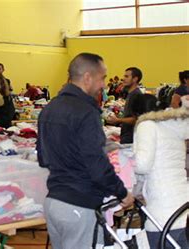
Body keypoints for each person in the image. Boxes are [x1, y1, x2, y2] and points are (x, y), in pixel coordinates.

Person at [37, 53, 134, 249]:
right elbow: (97, 165)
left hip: (53, 203)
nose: (104, 85)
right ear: (88, 77)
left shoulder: (50, 108)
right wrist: (122, 193)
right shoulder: (86, 112)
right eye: (102, 78)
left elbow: (43, 158)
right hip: (79, 206)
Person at [133, 95, 188, 249]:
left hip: (162, 211)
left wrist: (127, 160)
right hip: (183, 206)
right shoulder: (172, 127)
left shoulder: (146, 125)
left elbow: (142, 165)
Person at [106, 67, 143, 144]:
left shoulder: (136, 95)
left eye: (126, 76)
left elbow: (137, 119)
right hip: (126, 135)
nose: (123, 79)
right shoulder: (131, 94)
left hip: (131, 137)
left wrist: (118, 120)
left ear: (135, 79)